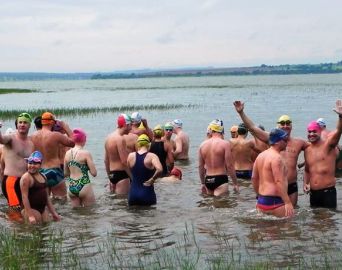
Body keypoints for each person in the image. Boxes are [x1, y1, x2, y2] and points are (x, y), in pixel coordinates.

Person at [233, 101, 308, 206]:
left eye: (288, 123)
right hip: (274, 187)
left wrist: (331, 144)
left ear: (291, 126)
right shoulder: (271, 138)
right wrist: (241, 113)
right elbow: (253, 128)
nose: (285, 126)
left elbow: (315, 148)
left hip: (291, 186)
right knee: (276, 215)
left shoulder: (300, 142)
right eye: (282, 123)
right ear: (277, 126)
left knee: (292, 216)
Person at [304, 101, 342, 208]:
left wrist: (341, 117)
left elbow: (339, 131)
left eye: (314, 131)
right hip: (313, 194)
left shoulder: (328, 146)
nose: (311, 134)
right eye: (309, 131)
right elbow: (307, 170)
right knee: (315, 222)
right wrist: (305, 184)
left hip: (328, 193)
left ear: (320, 132)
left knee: (328, 222)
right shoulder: (307, 149)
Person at [31, 112, 75, 199]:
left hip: (39, 172)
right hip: (54, 171)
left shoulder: (32, 136)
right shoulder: (56, 135)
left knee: (44, 201)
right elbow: (73, 142)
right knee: (62, 201)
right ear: (52, 122)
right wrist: (65, 127)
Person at [252, 128, 294, 218]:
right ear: (277, 141)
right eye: (285, 140)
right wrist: (287, 202)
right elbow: (278, 181)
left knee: (266, 230)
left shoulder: (260, 156)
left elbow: (254, 178)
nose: (287, 142)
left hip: (262, 201)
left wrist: (258, 196)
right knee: (287, 229)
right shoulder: (277, 158)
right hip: (275, 201)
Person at [0, 113, 34, 213]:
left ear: (29, 125)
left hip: (24, 181)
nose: (22, 124)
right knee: (15, 211)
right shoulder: (11, 138)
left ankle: (21, 228)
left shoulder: (31, 143)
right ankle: (12, 227)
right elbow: (1, 139)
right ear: (17, 124)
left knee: (24, 210)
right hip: (11, 181)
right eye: (20, 122)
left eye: (25, 122)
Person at [198, 119, 238, 196]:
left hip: (208, 179)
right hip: (221, 179)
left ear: (211, 130)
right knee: (221, 206)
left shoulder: (202, 145)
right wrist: (235, 183)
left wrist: (203, 183)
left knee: (210, 204)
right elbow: (229, 166)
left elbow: (200, 166)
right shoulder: (225, 144)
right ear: (221, 130)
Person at [20, 151, 61, 224]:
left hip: (42, 209)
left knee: (47, 227)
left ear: (41, 164)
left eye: (35, 163)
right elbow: (24, 197)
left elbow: (47, 197)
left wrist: (54, 213)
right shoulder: (26, 178)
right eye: (30, 163)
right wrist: (30, 216)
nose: (32, 165)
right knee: (35, 230)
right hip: (31, 209)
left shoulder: (43, 176)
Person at [64, 128, 97, 207]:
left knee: (76, 214)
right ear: (84, 139)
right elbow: (94, 173)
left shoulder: (67, 153)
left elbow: (65, 173)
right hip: (84, 185)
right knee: (90, 212)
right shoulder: (86, 153)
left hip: (71, 186)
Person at [127, 134, 163, 206]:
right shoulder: (152, 156)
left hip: (133, 194)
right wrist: (152, 179)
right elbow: (160, 169)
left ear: (138, 144)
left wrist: (133, 178)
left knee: (133, 216)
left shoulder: (130, 156)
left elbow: (128, 170)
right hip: (147, 194)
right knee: (148, 216)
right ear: (148, 145)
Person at [104, 113, 132, 194]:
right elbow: (124, 161)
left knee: (115, 204)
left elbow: (106, 160)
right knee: (122, 204)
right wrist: (132, 177)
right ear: (126, 125)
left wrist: (110, 177)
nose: (131, 128)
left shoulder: (108, 138)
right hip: (122, 175)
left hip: (112, 174)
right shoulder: (120, 139)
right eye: (130, 125)